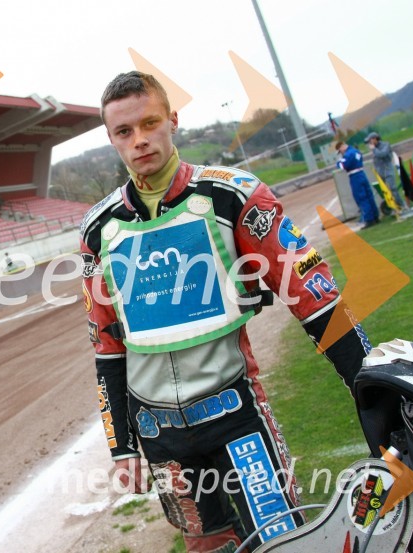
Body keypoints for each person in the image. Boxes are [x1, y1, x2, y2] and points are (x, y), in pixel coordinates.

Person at [80, 71, 372, 552]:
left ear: (173, 120)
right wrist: (121, 446)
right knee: (208, 548)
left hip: (236, 416)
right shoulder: (97, 229)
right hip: (159, 436)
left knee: (283, 542)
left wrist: (371, 387)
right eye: (123, 132)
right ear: (112, 140)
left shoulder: (233, 194)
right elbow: (106, 345)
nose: (139, 141)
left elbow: (315, 300)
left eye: (149, 123)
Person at [335, 140, 380, 228]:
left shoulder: (348, 154)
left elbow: (342, 165)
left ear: (342, 147)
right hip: (362, 174)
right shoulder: (356, 151)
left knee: (361, 198)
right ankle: (375, 216)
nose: (341, 153)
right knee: (369, 196)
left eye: (340, 151)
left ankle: (369, 219)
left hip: (355, 176)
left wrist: (338, 162)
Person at [364, 131, 408, 213]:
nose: (369, 142)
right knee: (385, 191)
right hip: (380, 172)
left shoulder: (385, 145)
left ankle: (402, 205)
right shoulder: (374, 148)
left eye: (370, 140)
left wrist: (374, 149)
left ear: (375, 139)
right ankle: (393, 207)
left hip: (388, 170)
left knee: (392, 188)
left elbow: (382, 154)